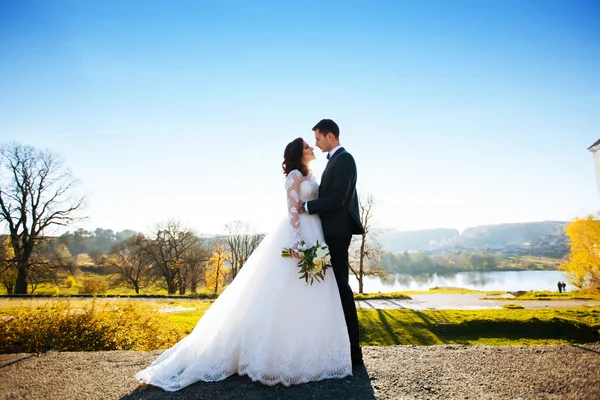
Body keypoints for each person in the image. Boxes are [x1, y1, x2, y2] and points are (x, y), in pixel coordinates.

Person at [135, 137, 352, 391]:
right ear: (297, 153)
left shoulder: (311, 174)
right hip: (300, 235)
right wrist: (297, 244)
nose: (312, 148)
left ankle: (314, 355)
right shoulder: (293, 176)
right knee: (285, 293)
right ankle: (274, 357)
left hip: (316, 233)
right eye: (307, 146)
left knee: (315, 293)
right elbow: (293, 211)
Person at [301, 119, 366, 366]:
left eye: (318, 139)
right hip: (328, 233)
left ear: (330, 137)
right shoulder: (335, 161)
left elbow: (338, 199)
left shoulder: (345, 159)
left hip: (337, 234)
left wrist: (307, 206)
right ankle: (335, 347)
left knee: (341, 289)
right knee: (330, 290)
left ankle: (353, 351)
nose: (316, 144)